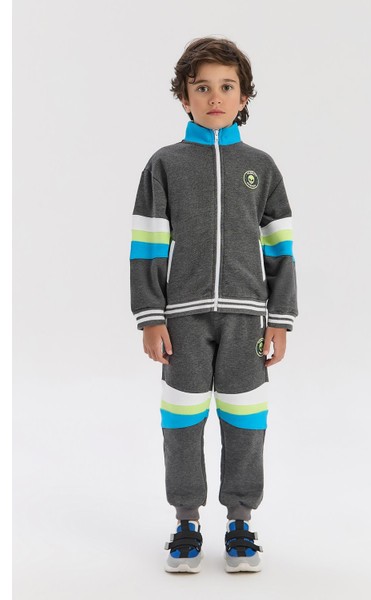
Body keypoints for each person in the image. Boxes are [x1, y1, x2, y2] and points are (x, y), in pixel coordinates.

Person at [129, 36, 298, 573]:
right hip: (182, 319)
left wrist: (281, 319)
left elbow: (280, 248)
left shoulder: (261, 167)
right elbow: (148, 243)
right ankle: (186, 520)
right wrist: (150, 315)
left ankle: (241, 520)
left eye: (227, 86)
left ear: (244, 96)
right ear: (184, 97)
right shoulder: (165, 165)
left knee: (246, 422)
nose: (215, 97)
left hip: (248, 319)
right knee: (181, 422)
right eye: (202, 87)